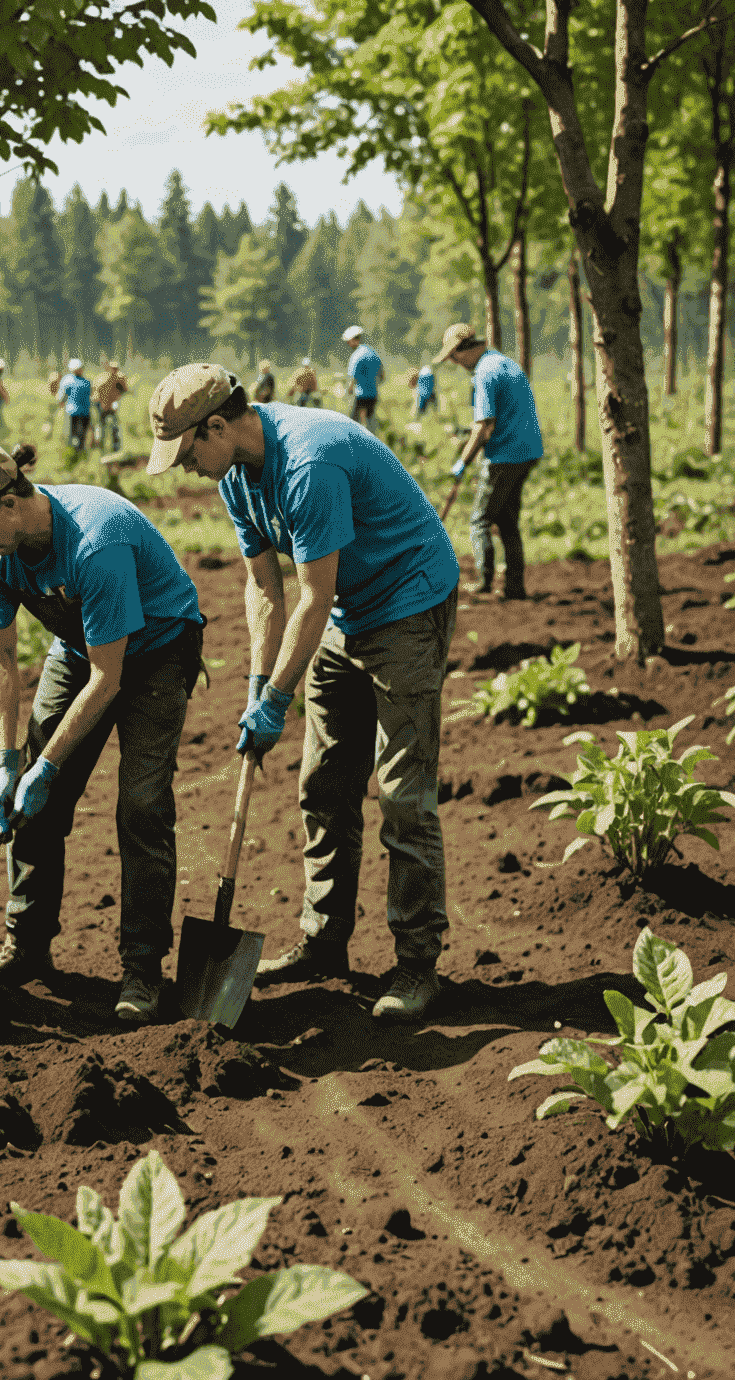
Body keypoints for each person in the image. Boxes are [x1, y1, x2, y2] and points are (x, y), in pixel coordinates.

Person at [146, 363, 460, 1023]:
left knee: (402, 794)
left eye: (187, 452)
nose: (185, 468)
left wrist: (278, 702)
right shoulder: (237, 478)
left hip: (406, 599)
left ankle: (416, 966)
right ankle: (324, 942)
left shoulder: (307, 463)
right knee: (323, 783)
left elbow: (312, 596)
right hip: (348, 612)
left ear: (219, 425)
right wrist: (261, 683)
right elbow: (265, 587)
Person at [0, 439, 205, 1025]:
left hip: (157, 650)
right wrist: (10, 761)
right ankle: (26, 945)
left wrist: (47, 765)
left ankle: (142, 967)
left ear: (10, 503)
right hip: (83, 647)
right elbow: (0, 656)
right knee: (31, 803)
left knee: (141, 804)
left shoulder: (94, 541)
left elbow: (111, 676)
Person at [437, 323, 544, 600]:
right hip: (527, 452)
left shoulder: (484, 372)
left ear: (465, 350)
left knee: (479, 521)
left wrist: (463, 462)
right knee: (508, 521)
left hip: (504, 455)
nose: (452, 361)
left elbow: (484, 427)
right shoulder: (504, 363)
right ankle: (514, 587)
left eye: (453, 355)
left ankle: (484, 584)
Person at [343, 325, 383, 428]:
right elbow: (382, 376)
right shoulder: (373, 354)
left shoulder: (356, 356)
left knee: (352, 425)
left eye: (349, 341)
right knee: (370, 424)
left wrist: (348, 393)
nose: (348, 344)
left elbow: (352, 380)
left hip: (359, 396)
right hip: (373, 395)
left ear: (354, 339)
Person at [93, 358, 129, 451]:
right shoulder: (103, 379)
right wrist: (104, 404)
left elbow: (125, 390)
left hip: (110, 405)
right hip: (100, 404)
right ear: (109, 368)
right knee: (100, 426)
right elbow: (98, 393)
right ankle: (99, 447)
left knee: (114, 426)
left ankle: (115, 447)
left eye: (116, 368)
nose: (114, 370)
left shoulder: (119, 378)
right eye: (113, 368)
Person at [58, 358, 93, 448]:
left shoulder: (67, 380)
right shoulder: (86, 382)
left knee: (73, 434)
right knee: (82, 434)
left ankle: (74, 451)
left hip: (73, 411)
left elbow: (62, 397)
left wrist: (61, 403)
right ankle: (79, 451)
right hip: (84, 412)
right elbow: (91, 395)